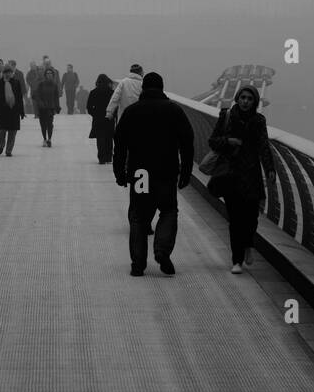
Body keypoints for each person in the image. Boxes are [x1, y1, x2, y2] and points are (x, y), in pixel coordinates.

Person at [113, 71, 194, 277]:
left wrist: (119, 172)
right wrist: (186, 171)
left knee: (139, 217)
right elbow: (187, 143)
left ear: (143, 89)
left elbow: (120, 144)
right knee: (168, 211)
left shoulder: (132, 112)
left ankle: (138, 264)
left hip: (141, 174)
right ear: (162, 88)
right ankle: (162, 251)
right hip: (166, 172)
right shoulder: (174, 111)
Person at [206, 85, 276, 273]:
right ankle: (236, 260)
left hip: (252, 175)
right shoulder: (227, 116)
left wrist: (270, 169)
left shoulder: (259, 120)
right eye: (243, 97)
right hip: (231, 174)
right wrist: (228, 141)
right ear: (238, 98)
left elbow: (263, 146)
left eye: (249, 99)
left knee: (251, 217)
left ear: (254, 102)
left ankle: (248, 245)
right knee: (236, 219)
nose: (245, 101)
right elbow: (212, 141)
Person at [0, 63, 25, 155]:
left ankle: (8, 150)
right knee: (0, 131)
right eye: (6, 72)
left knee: (12, 132)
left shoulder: (16, 83)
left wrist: (21, 112)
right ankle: (2, 144)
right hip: (2, 111)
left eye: (9, 72)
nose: (7, 74)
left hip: (13, 111)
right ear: (3, 73)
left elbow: (19, 98)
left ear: (12, 73)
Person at [86, 73, 116, 164]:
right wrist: (113, 115)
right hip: (109, 118)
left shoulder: (93, 92)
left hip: (98, 119)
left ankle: (101, 158)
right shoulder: (111, 92)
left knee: (100, 139)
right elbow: (115, 105)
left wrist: (94, 114)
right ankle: (108, 157)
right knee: (109, 138)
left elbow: (89, 106)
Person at [32, 66, 61, 146]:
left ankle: (49, 139)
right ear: (45, 75)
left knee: (50, 124)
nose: (49, 75)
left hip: (51, 107)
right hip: (42, 108)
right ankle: (44, 139)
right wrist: (40, 103)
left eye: (50, 73)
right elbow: (37, 95)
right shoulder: (41, 84)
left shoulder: (54, 85)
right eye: (47, 73)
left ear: (53, 75)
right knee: (43, 124)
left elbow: (56, 97)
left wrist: (57, 107)